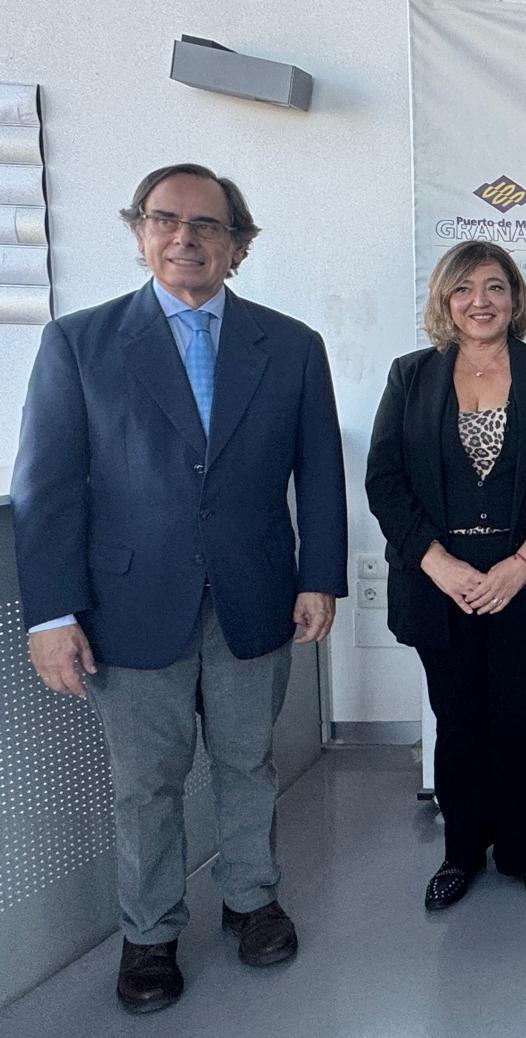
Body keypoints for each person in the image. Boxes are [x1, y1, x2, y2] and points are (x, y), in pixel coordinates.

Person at [13, 164, 347, 1013]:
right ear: (139, 231)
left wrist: (320, 578)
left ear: (238, 245)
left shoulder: (292, 346)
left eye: (208, 225)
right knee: (145, 783)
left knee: (248, 762)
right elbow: (47, 487)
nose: (185, 238)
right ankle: (150, 933)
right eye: (166, 219)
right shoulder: (79, 343)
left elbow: (319, 474)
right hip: (127, 606)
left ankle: (251, 900)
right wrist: (49, 614)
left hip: (255, 597)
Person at [366, 240, 526, 911]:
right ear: (445, 300)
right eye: (463, 288)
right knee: (458, 722)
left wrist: (523, 564)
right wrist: (437, 563)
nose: (480, 301)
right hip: (440, 585)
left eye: (494, 287)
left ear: (515, 299)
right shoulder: (410, 376)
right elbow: (385, 481)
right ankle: (461, 851)